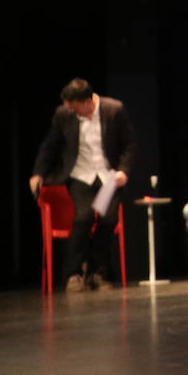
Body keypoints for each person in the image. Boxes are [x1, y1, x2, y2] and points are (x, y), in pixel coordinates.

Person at [30, 78, 136, 291]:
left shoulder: (114, 110)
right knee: (84, 217)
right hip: (81, 175)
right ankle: (74, 273)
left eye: (74, 106)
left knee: (107, 219)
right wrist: (38, 173)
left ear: (88, 101)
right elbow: (50, 145)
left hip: (107, 177)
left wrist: (124, 170)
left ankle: (97, 271)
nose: (70, 110)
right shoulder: (63, 115)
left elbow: (129, 144)